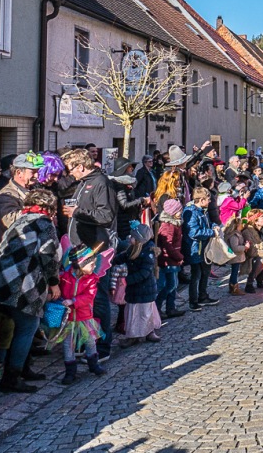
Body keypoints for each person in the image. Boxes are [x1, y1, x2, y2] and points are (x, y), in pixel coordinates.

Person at [0, 187, 61, 393]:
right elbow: (48, 254)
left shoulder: (19, 220)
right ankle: (11, 378)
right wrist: (54, 282)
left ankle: (25, 368)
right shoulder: (44, 223)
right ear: (48, 207)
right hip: (22, 283)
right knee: (27, 325)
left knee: (22, 324)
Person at [61, 148, 119, 359]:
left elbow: (105, 215)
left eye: (71, 169)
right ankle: (86, 344)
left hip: (95, 250)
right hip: (81, 250)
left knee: (98, 298)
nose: (70, 174)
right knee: (83, 300)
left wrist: (77, 212)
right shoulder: (84, 182)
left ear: (80, 166)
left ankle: (102, 348)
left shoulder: (101, 183)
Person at [52, 245, 106, 385]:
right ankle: (70, 371)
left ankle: (94, 365)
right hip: (67, 318)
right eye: (92, 264)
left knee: (90, 341)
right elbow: (58, 289)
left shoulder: (92, 279)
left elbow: (89, 296)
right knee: (67, 345)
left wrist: (73, 301)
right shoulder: (65, 275)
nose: (94, 267)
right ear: (81, 263)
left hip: (85, 316)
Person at [116, 221, 160, 346]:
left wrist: (127, 280)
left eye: (133, 237)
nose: (130, 238)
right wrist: (113, 260)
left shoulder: (148, 253)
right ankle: (133, 335)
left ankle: (148, 331)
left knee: (146, 312)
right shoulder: (132, 250)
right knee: (133, 313)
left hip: (145, 289)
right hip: (134, 290)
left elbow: (144, 273)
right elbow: (124, 257)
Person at [0, 152, 42, 247]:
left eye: (37, 172)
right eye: (33, 172)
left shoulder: (35, 190)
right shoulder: (6, 195)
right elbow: (12, 221)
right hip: (14, 252)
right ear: (19, 172)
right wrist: (38, 211)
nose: (36, 176)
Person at [183, 187, 218, 311]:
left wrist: (214, 227)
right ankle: (193, 301)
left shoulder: (203, 211)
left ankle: (203, 296)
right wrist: (211, 233)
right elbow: (193, 232)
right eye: (208, 199)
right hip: (195, 248)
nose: (209, 202)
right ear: (201, 199)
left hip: (204, 248)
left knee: (205, 272)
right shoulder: (191, 212)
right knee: (196, 275)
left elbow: (207, 223)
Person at [155, 198, 186, 319]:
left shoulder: (176, 223)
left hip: (174, 259)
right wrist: (179, 257)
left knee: (173, 285)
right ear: (172, 212)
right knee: (170, 285)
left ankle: (170, 308)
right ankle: (157, 307)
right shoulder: (168, 226)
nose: (180, 213)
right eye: (179, 211)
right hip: (169, 260)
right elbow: (167, 245)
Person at [223, 212, 247, 296]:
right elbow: (235, 248)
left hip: (237, 257)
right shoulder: (234, 235)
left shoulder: (237, 233)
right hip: (235, 257)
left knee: (234, 271)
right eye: (240, 224)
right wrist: (245, 247)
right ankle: (234, 288)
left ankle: (232, 286)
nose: (242, 225)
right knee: (234, 272)